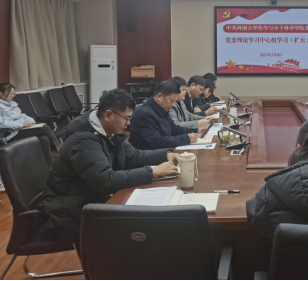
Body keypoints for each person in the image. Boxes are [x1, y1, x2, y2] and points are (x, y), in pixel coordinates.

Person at [38, 89, 181, 247]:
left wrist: (166, 155)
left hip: (91, 197)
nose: (129, 123)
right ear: (108, 115)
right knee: (144, 222)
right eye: (126, 118)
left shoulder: (107, 131)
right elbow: (106, 180)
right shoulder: (83, 140)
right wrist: (153, 172)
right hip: (70, 208)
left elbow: (133, 155)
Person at [129, 81, 204, 150]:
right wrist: (186, 139)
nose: (173, 105)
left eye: (174, 101)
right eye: (171, 101)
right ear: (159, 96)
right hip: (147, 155)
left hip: (161, 151)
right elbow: (156, 142)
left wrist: (195, 131)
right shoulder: (145, 114)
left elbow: (173, 128)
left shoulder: (162, 108)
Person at [0, 83, 59, 150]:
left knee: (44, 138)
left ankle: (52, 156)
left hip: (19, 130)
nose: (12, 96)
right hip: (9, 134)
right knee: (44, 128)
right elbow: (2, 124)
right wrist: (21, 125)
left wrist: (31, 121)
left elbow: (21, 115)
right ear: (1, 94)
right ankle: (60, 151)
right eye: (10, 94)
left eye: (13, 94)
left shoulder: (11, 104)